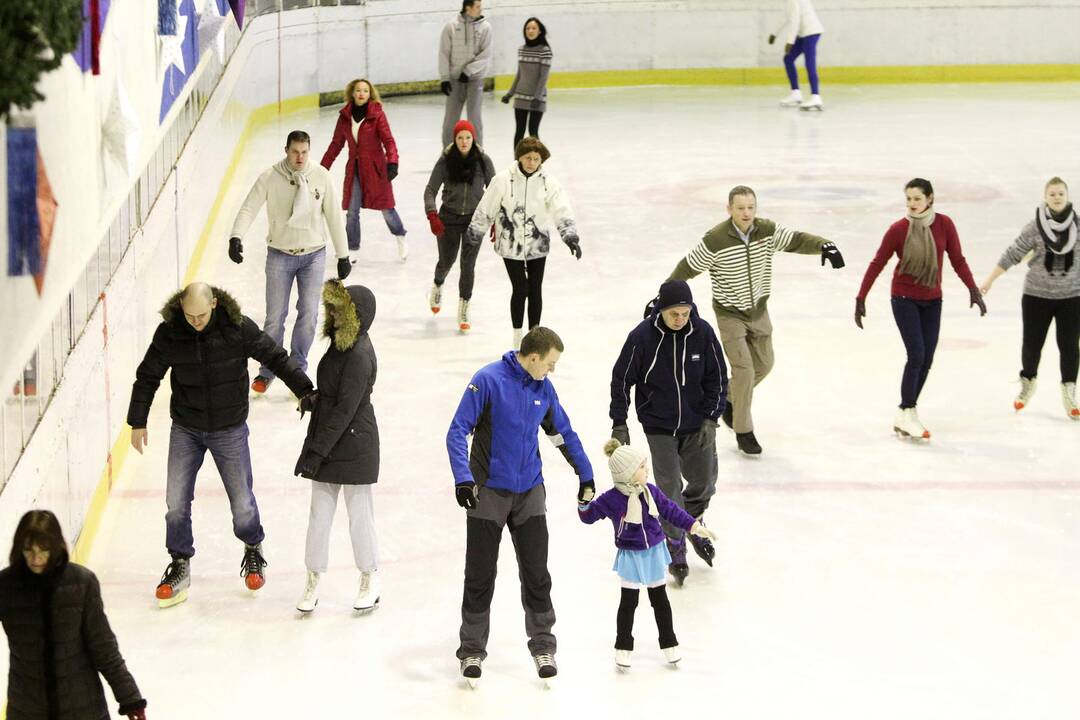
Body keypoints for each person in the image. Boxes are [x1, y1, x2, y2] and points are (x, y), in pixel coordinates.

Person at [127, 282, 315, 607]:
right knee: (175, 501)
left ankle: (253, 547)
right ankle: (180, 563)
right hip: (186, 426)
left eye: (201, 315)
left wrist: (304, 389)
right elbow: (148, 375)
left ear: (214, 303)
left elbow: (275, 355)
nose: (195, 322)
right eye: (190, 316)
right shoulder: (171, 332)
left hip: (229, 428)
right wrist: (137, 420)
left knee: (242, 501)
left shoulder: (237, 328)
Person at [446, 327, 594, 687]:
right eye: (550, 364)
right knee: (480, 576)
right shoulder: (488, 381)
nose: (552, 370)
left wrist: (585, 474)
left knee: (537, 574)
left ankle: (543, 645)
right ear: (532, 358)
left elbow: (562, 433)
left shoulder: (542, 387)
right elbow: (457, 430)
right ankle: (471, 652)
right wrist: (464, 479)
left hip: (530, 493)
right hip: (488, 495)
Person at [669, 185, 844, 455]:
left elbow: (796, 239)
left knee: (765, 364)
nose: (746, 212)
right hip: (729, 314)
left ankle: (727, 399)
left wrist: (824, 245)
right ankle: (744, 430)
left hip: (759, 311)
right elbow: (687, 267)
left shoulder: (766, 231)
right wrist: (666, 296)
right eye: (740, 208)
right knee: (744, 370)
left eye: (751, 207)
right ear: (729, 210)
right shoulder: (716, 240)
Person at [609, 279, 728, 585]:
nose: (680, 319)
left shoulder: (703, 334)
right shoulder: (642, 337)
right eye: (674, 313)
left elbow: (718, 378)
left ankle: (693, 522)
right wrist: (619, 422)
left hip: (697, 422)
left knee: (704, 482)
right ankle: (675, 545)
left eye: (685, 313)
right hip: (658, 425)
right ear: (661, 310)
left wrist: (711, 419)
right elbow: (621, 379)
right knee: (669, 486)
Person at [855, 178, 986, 439]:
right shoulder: (898, 229)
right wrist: (861, 297)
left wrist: (973, 289)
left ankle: (905, 412)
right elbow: (877, 263)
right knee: (916, 354)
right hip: (904, 298)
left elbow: (957, 259)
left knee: (927, 358)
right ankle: (908, 409)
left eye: (917, 198)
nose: (912, 204)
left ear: (930, 199)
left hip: (933, 299)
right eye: (908, 199)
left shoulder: (945, 224)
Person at [578, 441, 718, 672]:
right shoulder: (612, 498)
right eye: (642, 467)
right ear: (627, 473)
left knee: (660, 601)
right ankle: (623, 647)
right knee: (629, 603)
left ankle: (669, 643)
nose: (647, 470)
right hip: (631, 556)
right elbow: (589, 516)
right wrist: (583, 502)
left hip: (653, 552)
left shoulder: (650, 492)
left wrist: (693, 526)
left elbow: (671, 510)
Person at [229, 130, 350, 394]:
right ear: (286, 150)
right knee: (274, 317)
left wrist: (343, 254)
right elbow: (250, 207)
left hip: (313, 254)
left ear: (309, 150)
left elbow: (333, 216)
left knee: (308, 315)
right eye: (295, 151)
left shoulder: (321, 177)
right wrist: (236, 236)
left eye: (304, 152)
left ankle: (296, 368)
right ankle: (267, 370)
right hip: (280, 254)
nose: (300, 157)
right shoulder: (270, 177)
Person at [0, 510, 147, 720]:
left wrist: (130, 698)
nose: (36, 558)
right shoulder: (6, 586)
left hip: (82, 707)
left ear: (56, 546)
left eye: (43, 550)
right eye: (28, 550)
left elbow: (103, 646)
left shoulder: (81, 583)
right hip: (28, 708)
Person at [294, 281, 382, 614]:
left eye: (337, 308)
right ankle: (313, 576)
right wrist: (316, 399)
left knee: (360, 516)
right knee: (319, 516)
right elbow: (336, 394)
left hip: (355, 443)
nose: (330, 313)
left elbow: (347, 408)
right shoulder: (340, 345)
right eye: (329, 307)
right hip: (331, 438)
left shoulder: (358, 354)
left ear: (354, 315)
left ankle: (370, 576)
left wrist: (316, 452)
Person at [466, 137, 581, 349]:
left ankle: (534, 335)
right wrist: (474, 234)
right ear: (519, 157)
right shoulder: (502, 180)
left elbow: (561, 209)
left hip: (537, 245)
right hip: (510, 244)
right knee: (520, 289)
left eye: (536, 159)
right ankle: (518, 336)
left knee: (535, 289)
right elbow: (486, 207)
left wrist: (570, 236)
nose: (532, 163)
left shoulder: (549, 182)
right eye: (528, 158)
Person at [979, 176, 1079, 419]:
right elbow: (1013, 253)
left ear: (1067, 197)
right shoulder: (1035, 227)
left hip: (1071, 297)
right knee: (1032, 346)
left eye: (1060, 194)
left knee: (1069, 347)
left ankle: (1069, 391)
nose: (1056, 197)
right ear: (1045, 197)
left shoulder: (1078, 226)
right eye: (1052, 194)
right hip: (1036, 297)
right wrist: (989, 280)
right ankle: (1028, 382)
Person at [321, 78, 408, 263]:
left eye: (365, 91)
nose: (362, 94)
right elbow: (336, 144)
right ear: (352, 93)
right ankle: (352, 248)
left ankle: (400, 235)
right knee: (352, 211)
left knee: (387, 208)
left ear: (370, 94)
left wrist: (392, 162)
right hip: (355, 170)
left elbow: (389, 141)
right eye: (359, 90)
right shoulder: (345, 116)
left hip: (376, 169)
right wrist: (322, 168)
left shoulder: (377, 114)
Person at [423, 119, 496, 333]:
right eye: (460, 138)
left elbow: (495, 191)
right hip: (449, 219)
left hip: (476, 219)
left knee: (468, 264)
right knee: (447, 260)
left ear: (473, 139)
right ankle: (438, 283)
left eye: (468, 137)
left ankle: (464, 306)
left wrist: (496, 220)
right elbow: (430, 190)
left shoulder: (483, 161)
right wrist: (432, 215)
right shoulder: (445, 161)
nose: (464, 142)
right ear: (454, 140)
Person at [439, 0, 492, 147]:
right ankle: (447, 153)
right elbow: (444, 53)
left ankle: (478, 153)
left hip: (475, 79)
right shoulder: (451, 26)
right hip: (455, 80)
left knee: (475, 118)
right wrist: (444, 78)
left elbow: (486, 55)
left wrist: (468, 71)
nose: (480, 9)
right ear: (468, 8)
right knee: (450, 119)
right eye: (477, 6)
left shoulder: (485, 27)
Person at [501, 17, 553, 151]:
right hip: (521, 96)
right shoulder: (522, 49)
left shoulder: (545, 50)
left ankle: (536, 163)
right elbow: (520, 74)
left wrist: (537, 96)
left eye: (534, 28)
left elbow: (543, 77)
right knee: (519, 131)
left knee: (533, 132)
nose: (530, 31)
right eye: (527, 28)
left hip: (537, 98)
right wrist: (510, 93)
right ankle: (517, 163)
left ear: (540, 31)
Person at [768, 0, 825, 110]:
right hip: (803, 33)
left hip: (811, 32)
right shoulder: (788, 2)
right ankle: (796, 93)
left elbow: (795, 21)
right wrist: (774, 33)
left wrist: (790, 41)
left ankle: (815, 96)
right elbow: (785, 17)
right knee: (788, 59)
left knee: (809, 63)